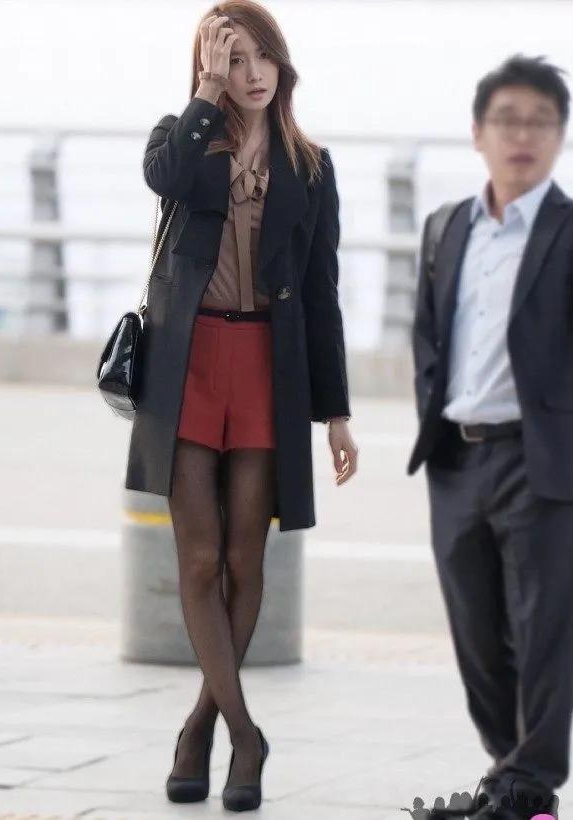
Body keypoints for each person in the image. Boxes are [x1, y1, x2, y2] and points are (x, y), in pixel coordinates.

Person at [124, 0, 358, 812]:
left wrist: (335, 412)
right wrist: (204, 94)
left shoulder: (311, 166)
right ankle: (245, 735)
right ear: (209, 69)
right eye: (233, 59)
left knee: (243, 560)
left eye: (261, 56)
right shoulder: (182, 138)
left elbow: (321, 294)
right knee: (196, 561)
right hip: (186, 366)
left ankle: (200, 726)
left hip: (266, 368)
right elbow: (163, 180)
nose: (251, 73)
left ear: (281, 63)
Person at [408, 55, 572, 820]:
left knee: (542, 634)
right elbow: (427, 338)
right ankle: (512, 781)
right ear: (477, 133)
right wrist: (433, 417)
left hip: (540, 462)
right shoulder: (445, 228)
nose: (522, 135)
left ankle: (526, 785)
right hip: (453, 457)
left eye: (541, 121)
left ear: (559, 136)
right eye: (507, 119)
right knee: (475, 635)